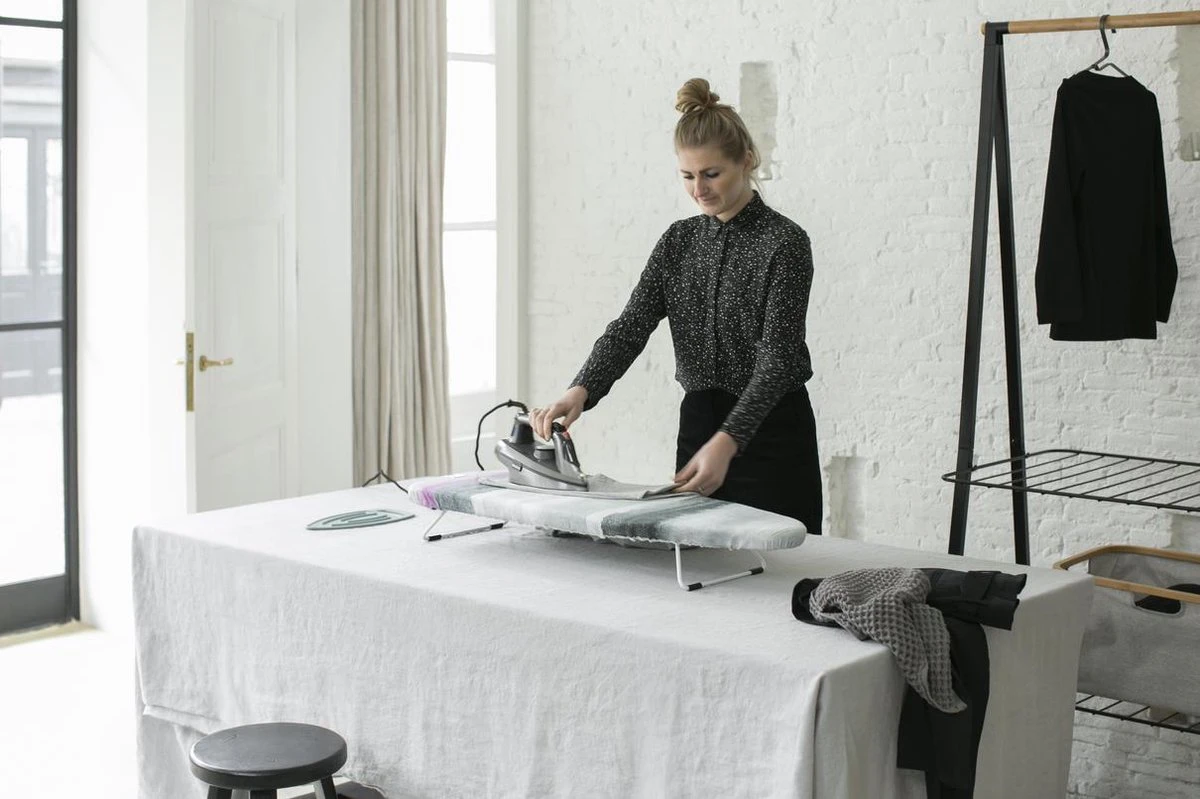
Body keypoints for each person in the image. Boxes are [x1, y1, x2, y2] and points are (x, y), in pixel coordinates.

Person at [530, 77, 822, 534]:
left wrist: (729, 440)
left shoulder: (784, 243)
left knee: (781, 564)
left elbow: (778, 360)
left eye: (711, 174)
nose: (698, 189)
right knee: (697, 558)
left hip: (771, 432)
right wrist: (581, 390)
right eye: (687, 176)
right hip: (699, 426)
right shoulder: (678, 242)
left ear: (746, 160)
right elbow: (630, 327)